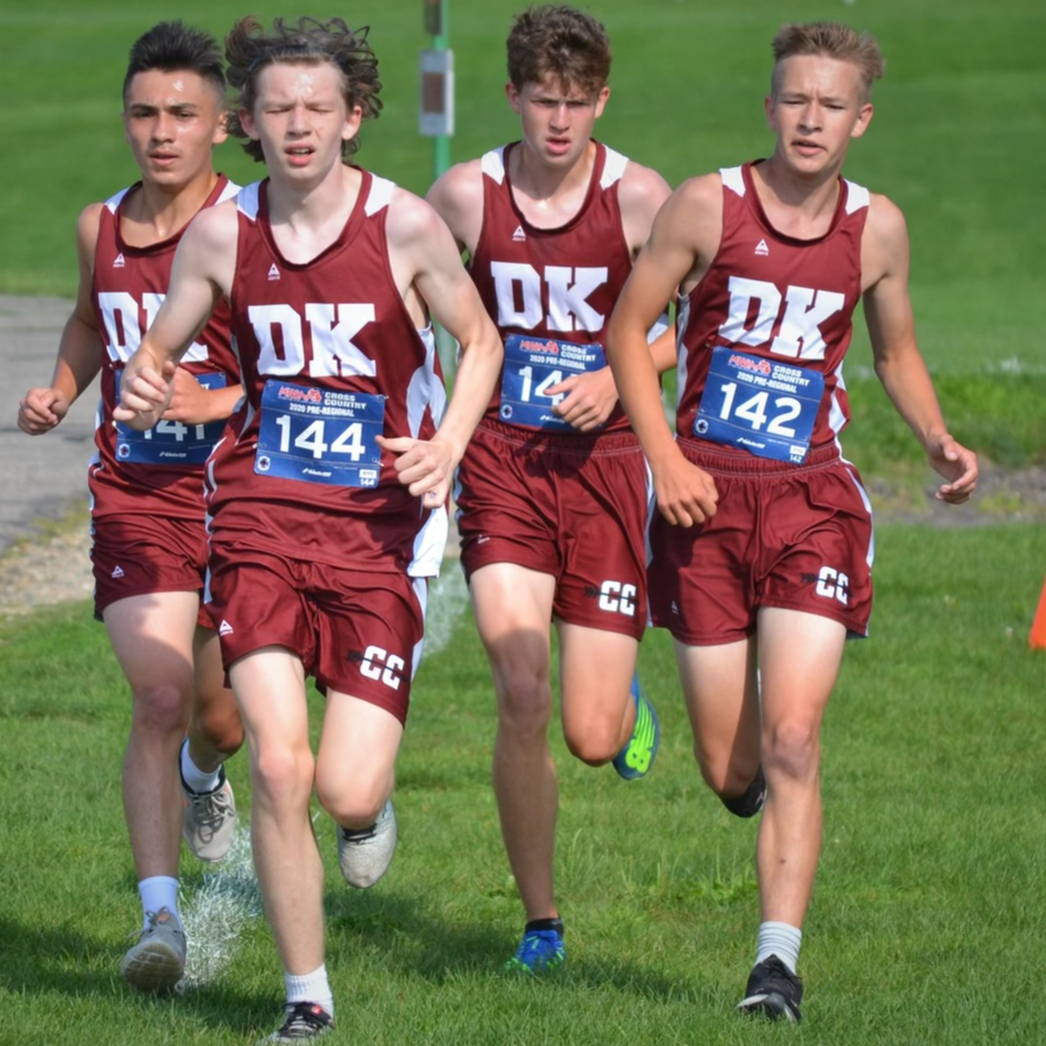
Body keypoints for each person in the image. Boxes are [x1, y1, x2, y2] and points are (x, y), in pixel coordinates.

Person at [114, 15, 503, 1043]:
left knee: (341, 782)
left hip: (380, 528)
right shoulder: (219, 232)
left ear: (352, 116)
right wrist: (150, 384)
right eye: (277, 108)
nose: (295, 127)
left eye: (316, 109)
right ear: (248, 119)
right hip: (259, 518)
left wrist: (450, 443)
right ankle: (305, 994)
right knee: (279, 767)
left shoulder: (406, 225)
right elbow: (161, 352)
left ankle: (368, 808)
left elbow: (479, 341)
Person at [605, 20, 978, 1022]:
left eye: (829, 104)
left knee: (793, 735)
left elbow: (893, 352)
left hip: (811, 499)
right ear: (768, 107)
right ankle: (747, 791)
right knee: (731, 770)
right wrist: (667, 460)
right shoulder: (704, 205)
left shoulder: (877, 227)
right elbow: (626, 331)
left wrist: (937, 437)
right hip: (703, 504)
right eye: (793, 100)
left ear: (859, 118)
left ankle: (774, 965)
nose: (808, 119)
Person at [427, 3, 675, 973]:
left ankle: (621, 699)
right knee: (519, 684)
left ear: (600, 99)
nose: (558, 122)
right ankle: (540, 921)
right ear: (512, 97)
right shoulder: (463, 195)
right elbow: (403, 287)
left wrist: (619, 375)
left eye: (576, 103)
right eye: (542, 101)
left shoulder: (640, 199)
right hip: (504, 467)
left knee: (587, 730)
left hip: (608, 471)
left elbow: (686, 332)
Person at [17, 21, 245, 993]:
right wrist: (64, 386)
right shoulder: (97, 225)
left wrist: (215, 400)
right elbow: (87, 314)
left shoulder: (255, 227)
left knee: (221, 719)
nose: (161, 132)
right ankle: (160, 917)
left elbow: (313, 371)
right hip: (137, 495)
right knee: (157, 695)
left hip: (245, 499)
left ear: (222, 126)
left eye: (182, 115)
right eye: (145, 113)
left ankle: (205, 773)